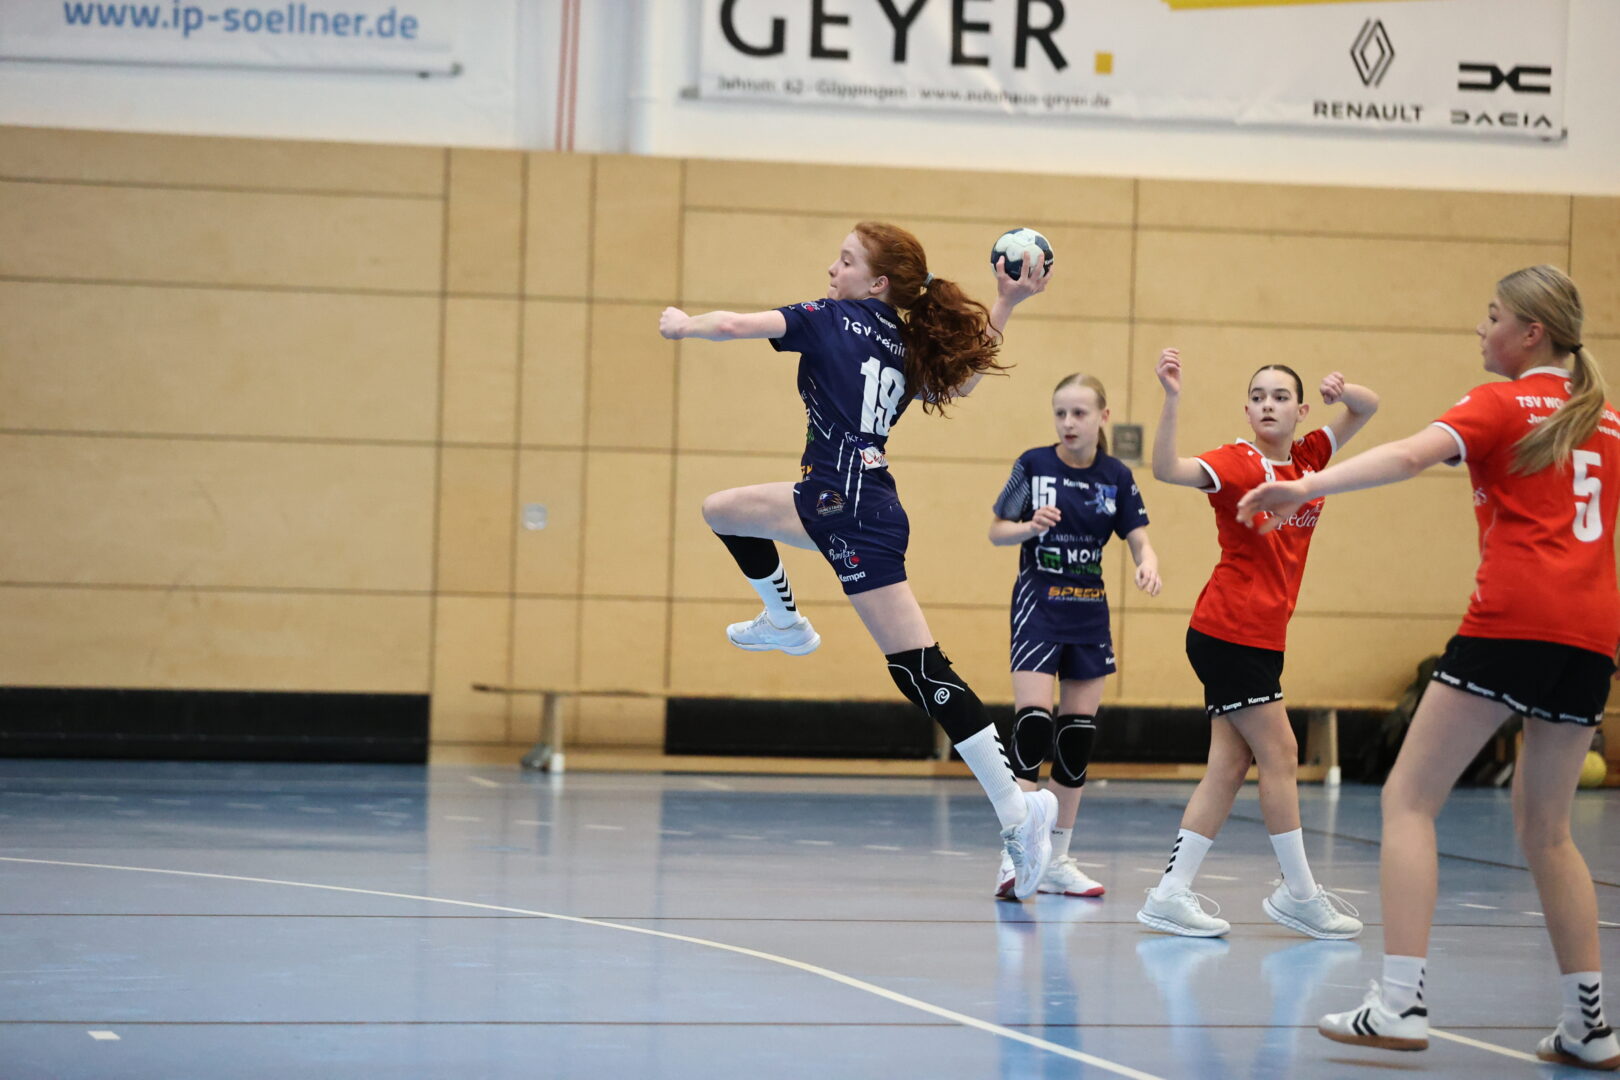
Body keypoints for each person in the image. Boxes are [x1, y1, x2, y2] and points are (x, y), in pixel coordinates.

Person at [1237, 265, 1620, 1069]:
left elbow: (1407, 458)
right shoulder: (1607, 422)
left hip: (1511, 620)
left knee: (1409, 800)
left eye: (1492, 317)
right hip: (1591, 635)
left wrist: (1300, 484)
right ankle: (1591, 1023)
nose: (1480, 331)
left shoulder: (1499, 403)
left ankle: (1400, 1000)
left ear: (1532, 334)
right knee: (1550, 832)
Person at [657, 222, 1056, 898]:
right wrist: (1006, 305)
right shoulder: (902, 342)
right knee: (726, 510)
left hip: (838, 500)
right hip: (862, 503)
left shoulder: (828, 317)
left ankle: (1018, 806)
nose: (830, 269)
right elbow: (960, 385)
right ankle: (785, 621)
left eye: (844, 261)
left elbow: (734, 324)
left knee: (921, 667)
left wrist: (683, 324)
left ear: (876, 283)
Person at [1134, 347, 1377, 939]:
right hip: (1229, 631)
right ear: (1247, 411)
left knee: (1229, 765)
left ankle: (1170, 893)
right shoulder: (1237, 464)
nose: (1269, 404)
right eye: (1259, 397)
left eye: (1281, 397)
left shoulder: (1311, 457)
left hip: (1261, 637)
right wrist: (1171, 399)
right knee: (1282, 754)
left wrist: (1340, 392)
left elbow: (1367, 408)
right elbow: (1166, 468)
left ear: (1298, 412)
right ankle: (1300, 894)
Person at [988, 373, 1161, 899]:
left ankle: (1058, 858)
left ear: (1102, 417)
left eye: (1080, 413)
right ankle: (1014, 855)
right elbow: (996, 528)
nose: (1068, 423)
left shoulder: (1116, 476)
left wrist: (1147, 563)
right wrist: (1028, 528)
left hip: (1089, 612)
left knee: (1076, 738)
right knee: (1034, 725)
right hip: (1039, 606)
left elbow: (1139, 538)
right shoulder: (1033, 465)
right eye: (1061, 412)